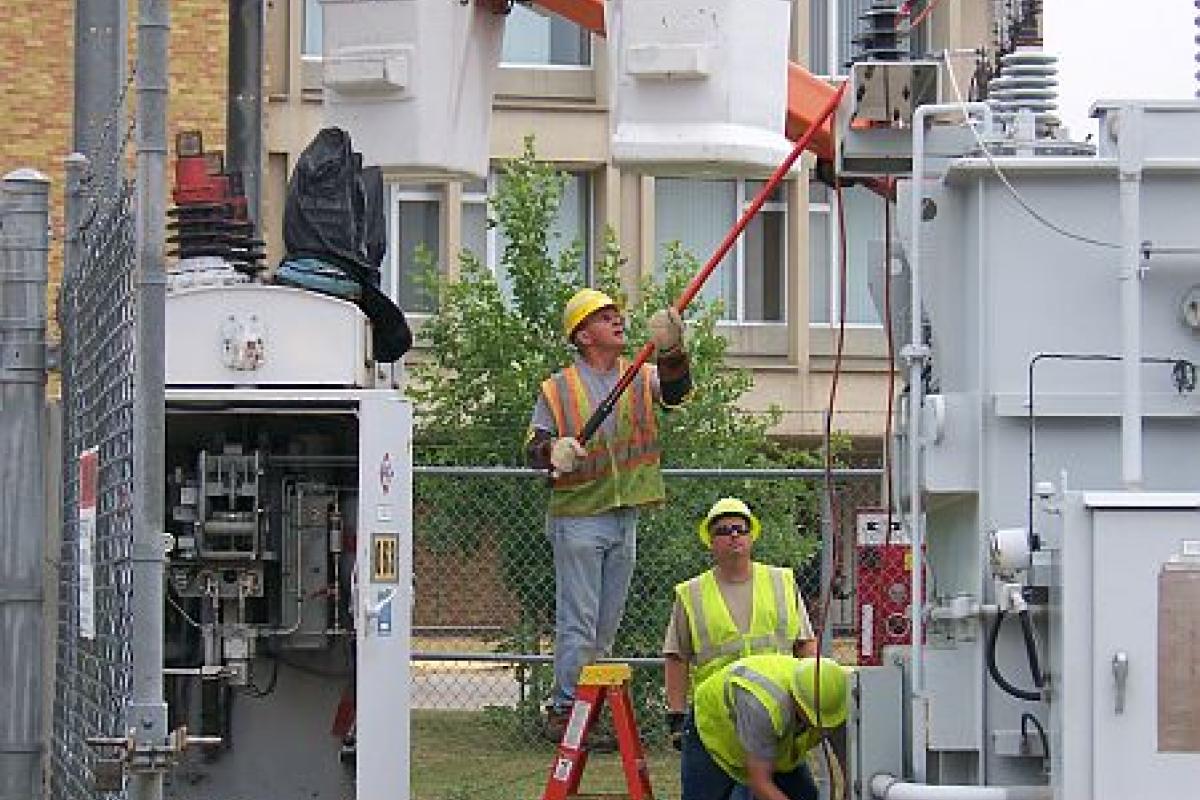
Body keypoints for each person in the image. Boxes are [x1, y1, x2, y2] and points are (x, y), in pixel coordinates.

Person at [526, 288, 692, 739]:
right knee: (578, 619)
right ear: (583, 335)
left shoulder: (639, 373)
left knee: (605, 624)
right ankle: (565, 709)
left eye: (618, 314)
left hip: (624, 514)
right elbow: (534, 447)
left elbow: (677, 392)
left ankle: (586, 710)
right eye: (605, 317)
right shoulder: (558, 388)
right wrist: (552, 450)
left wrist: (674, 349)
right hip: (579, 515)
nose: (618, 320)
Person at [663, 497, 818, 755]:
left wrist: (809, 697)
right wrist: (677, 716)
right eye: (723, 531)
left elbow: (805, 645)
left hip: (776, 710)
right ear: (710, 542)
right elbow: (677, 657)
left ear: (751, 536)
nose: (733, 535)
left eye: (740, 529)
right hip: (717, 716)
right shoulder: (692, 593)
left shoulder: (782, 582)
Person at [680, 653, 850, 800]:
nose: (821, 729)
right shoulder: (763, 705)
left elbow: (851, 767)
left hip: (775, 747)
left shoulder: (836, 694)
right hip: (712, 734)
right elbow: (760, 783)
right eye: (815, 721)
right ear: (797, 701)